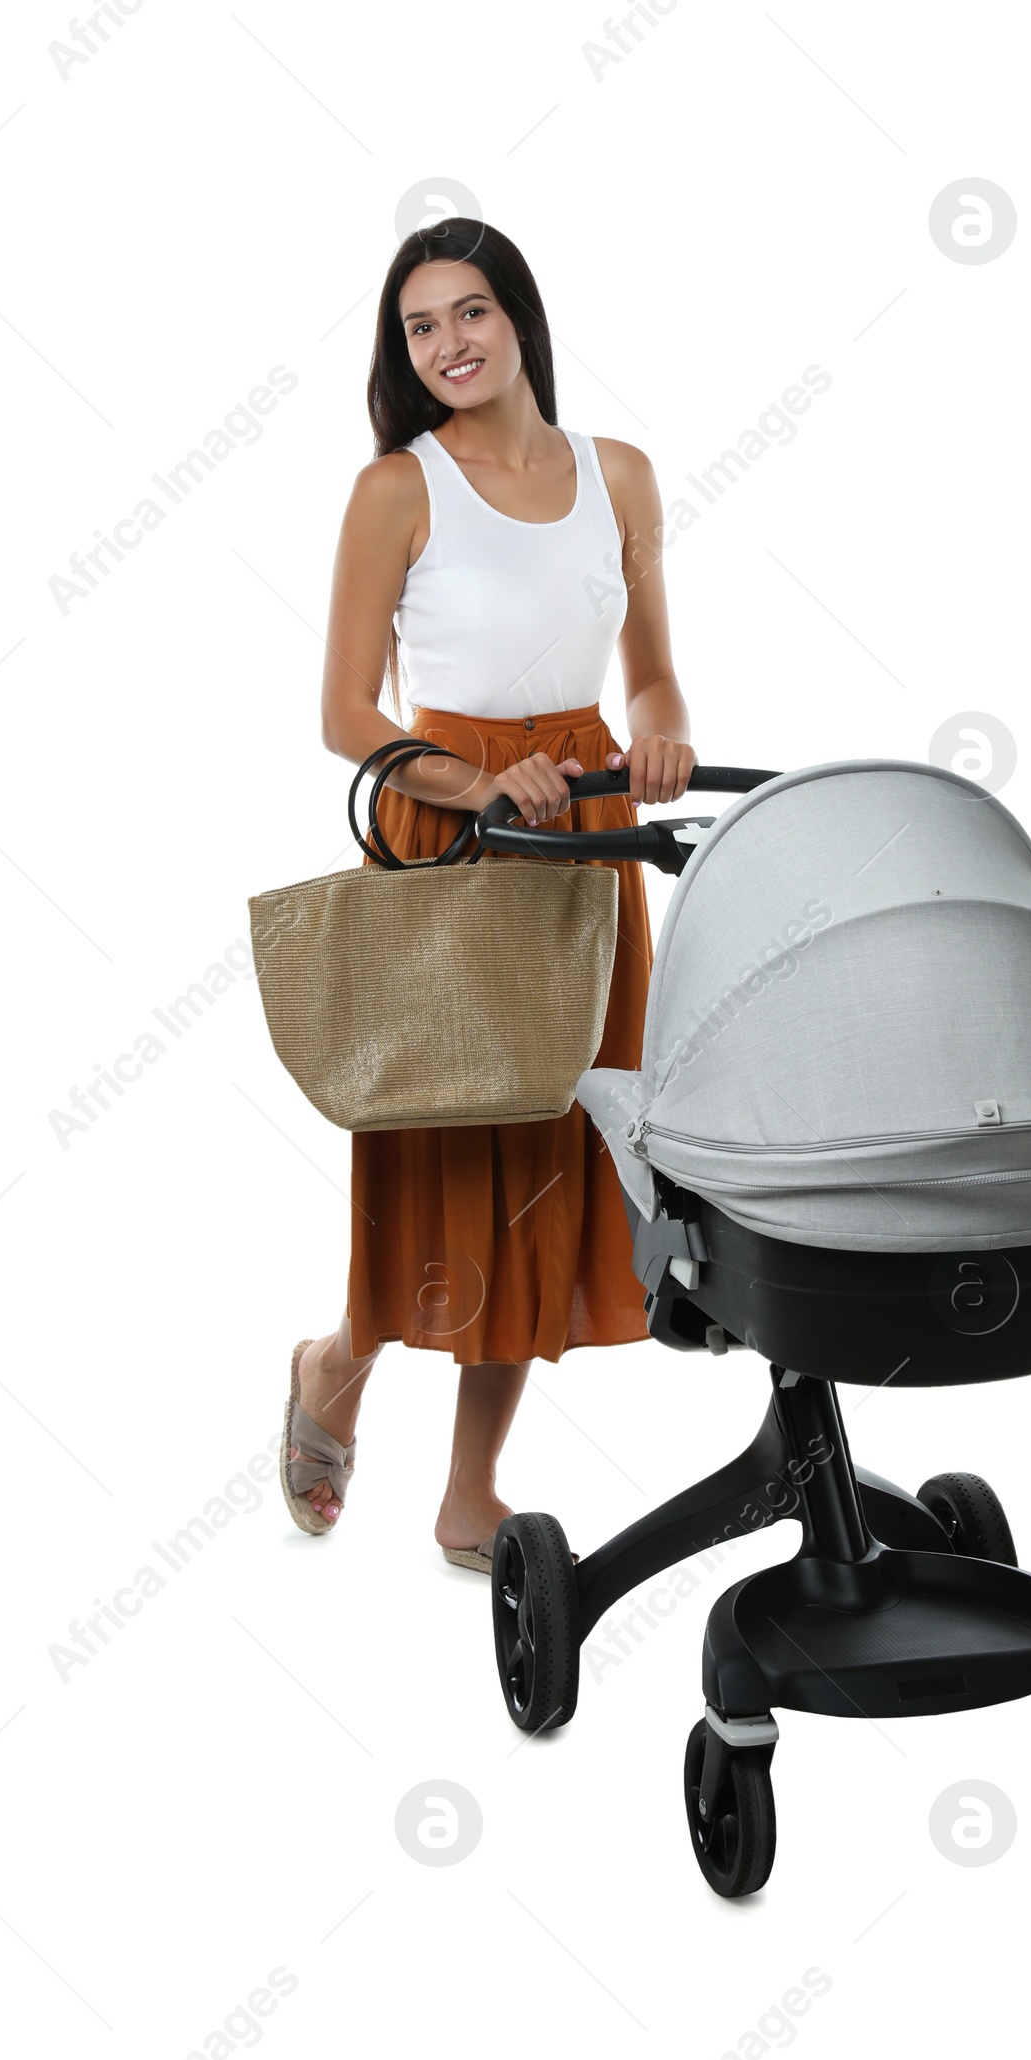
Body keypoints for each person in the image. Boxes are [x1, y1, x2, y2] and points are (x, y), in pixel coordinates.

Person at [281, 218, 695, 1567]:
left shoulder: (617, 475)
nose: (449, 345)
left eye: (470, 313)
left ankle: (472, 1493)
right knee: (440, 1144)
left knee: (552, 1159)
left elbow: (653, 670)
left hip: (584, 823)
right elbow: (348, 713)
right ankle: (338, 1362)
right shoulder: (396, 489)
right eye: (420, 328)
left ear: (520, 318)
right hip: (447, 825)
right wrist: (475, 783)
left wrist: (663, 728)